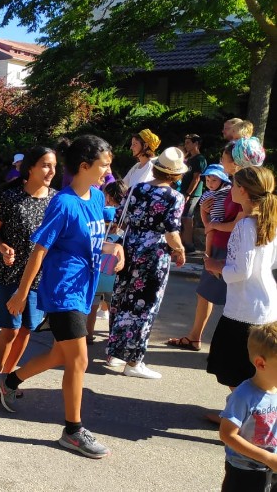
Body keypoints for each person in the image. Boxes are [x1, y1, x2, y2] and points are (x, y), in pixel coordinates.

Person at [0, 134, 124, 459]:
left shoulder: (95, 198)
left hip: (84, 288)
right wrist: (21, 294)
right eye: (105, 166)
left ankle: (7, 382)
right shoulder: (62, 203)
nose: (109, 173)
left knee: (59, 355)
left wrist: (115, 247)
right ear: (84, 166)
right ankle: (73, 431)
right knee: (79, 360)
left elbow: (91, 241)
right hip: (63, 290)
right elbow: (39, 250)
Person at [166, 136, 265, 355]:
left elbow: (241, 223)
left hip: (229, 249)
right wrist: (207, 216)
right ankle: (195, 337)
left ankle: (240, 351)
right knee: (205, 293)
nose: (221, 161)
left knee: (231, 298)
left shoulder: (241, 189)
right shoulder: (230, 186)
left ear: (236, 161)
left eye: (224, 157)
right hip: (219, 246)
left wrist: (212, 226)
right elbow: (215, 216)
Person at [105, 147, 187, 379]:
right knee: (146, 305)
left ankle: (114, 353)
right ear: (175, 175)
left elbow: (121, 217)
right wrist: (180, 250)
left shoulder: (137, 188)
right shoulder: (175, 197)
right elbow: (171, 233)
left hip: (129, 247)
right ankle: (134, 361)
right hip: (154, 254)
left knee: (122, 298)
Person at [0, 146, 57, 402]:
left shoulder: (56, 200)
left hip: (40, 278)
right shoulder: (10, 198)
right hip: (10, 272)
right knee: (10, 330)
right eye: (46, 165)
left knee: (27, 329)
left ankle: (6, 379)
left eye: (54, 166)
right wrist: (2, 247)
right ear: (31, 168)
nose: (51, 171)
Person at [204, 166, 277, 393]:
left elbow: (241, 271)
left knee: (233, 367)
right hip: (264, 304)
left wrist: (216, 266)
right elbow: (271, 263)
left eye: (234, 185)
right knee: (253, 368)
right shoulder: (268, 221)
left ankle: (243, 416)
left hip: (244, 309)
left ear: (243, 191)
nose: (231, 189)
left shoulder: (245, 225)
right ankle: (245, 414)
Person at [219, 322, 277, 492]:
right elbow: (227, 435)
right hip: (245, 471)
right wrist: (266, 457)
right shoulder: (244, 395)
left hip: (272, 466)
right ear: (261, 363)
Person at [86, 179, 128, 341]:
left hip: (96, 278)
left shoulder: (98, 237)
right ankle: (113, 337)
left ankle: (89, 335)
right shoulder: (121, 235)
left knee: (92, 308)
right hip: (114, 280)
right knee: (113, 309)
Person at [180, 134, 207, 252]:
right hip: (183, 191)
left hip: (193, 193)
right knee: (182, 217)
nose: (186, 145)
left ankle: (189, 244)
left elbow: (196, 178)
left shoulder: (200, 159)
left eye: (188, 143)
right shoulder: (189, 159)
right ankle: (183, 242)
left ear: (196, 144)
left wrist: (189, 193)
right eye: (185, 143)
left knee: (187, 217)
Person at [200, 164, 233, 257]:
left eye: (214, 180)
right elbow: (202, 209)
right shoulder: (207, 194)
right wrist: (206, 224)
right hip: (215, 219)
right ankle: (207, 252)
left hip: (228, 219)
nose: (210, 183)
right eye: (207, 180)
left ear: (223, 180)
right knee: (210, 233)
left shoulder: (229, 190)